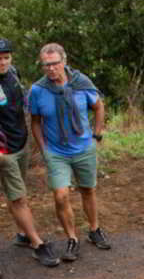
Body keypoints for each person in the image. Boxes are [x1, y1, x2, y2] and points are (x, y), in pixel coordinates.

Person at [0, 39, 59, 267]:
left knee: (16, 193)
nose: (3, 62)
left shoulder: (13, 74)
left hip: (21, 144)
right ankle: (37, 244)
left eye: (6, 57)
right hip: (2, 151)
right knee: (19, 198)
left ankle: (23, 234)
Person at [25, 44, 109, 262]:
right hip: (56, 151)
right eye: (46, 65)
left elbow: (99, 107)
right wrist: (43, 149)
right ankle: (72, 238)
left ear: (64, 61)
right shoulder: (37, 90)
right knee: (61, 196)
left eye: (55, 63)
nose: (51, 69)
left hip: (84, 147)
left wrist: (96, 135)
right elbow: (35, 122)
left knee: (88, 189)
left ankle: (94, 229)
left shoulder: (81, 83)